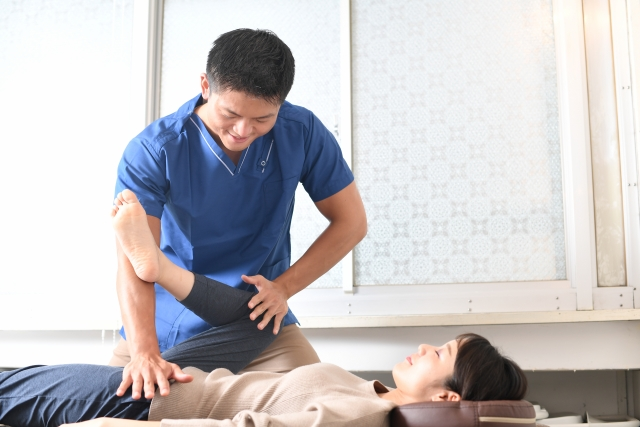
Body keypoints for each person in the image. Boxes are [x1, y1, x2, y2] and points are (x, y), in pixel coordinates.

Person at [0, 191, 528, 427]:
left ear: (446, 396)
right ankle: (157, 266)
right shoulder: (367, 393)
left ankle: (158, 267)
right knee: (261, 307)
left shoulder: (363, 415)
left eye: (440, 352)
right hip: (177, 385)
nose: (424, 346)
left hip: (151, 404)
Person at [111, 27, 367, 400]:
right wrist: (145, 352)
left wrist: (284, 288)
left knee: (327, 402)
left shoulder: (301, 132)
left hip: (258, 320)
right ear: (205, 86)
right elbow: (132, 264)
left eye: (262, 119)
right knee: (108, 412)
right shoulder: (154, 149)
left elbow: (352, 222)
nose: (243, 130)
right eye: (230, 113)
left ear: (281, 104)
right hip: (165, 325)